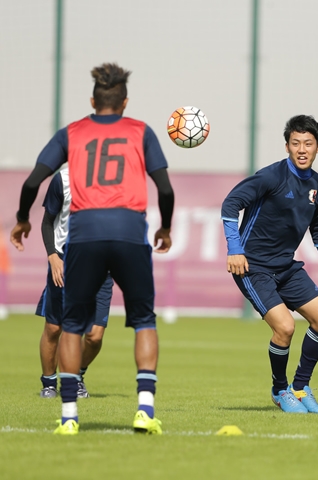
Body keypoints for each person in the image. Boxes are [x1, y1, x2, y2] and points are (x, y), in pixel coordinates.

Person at [10, 63, 174, 435]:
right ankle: (145, 411)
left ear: (92, 100)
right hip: (130, 231)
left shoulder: (72, 133)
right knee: (143, 321)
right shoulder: (140, 131)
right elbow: (165, 189)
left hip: (83, 236)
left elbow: (34, 180)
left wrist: (22, 219)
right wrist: (165, 226)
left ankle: (68, 417)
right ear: (125, 102)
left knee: (71, 326)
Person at [221, 115, 318, 414]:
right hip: (253, 267)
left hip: (286, 267)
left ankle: (300, 387)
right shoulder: (270, 177)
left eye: (308, 144)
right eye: (296, 143)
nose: (302, 149)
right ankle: (279, 389)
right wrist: (235, 250)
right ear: (287, 146)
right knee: (285, 327)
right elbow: (230, 205)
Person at [36, 165, 113, 399]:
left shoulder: (118, 180)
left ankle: (77, 375)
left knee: (94, 336)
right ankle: (49, 383)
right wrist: (52, 256)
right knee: (54, 327)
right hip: (65, 261)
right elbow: (47, 222)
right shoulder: (63, 179)